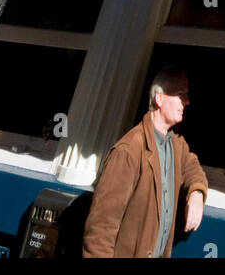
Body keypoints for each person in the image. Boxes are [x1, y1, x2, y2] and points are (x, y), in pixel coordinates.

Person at [82, 66, 207, 258]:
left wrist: (197, 193)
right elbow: (100, 230)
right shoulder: (128, 151)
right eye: (181, 94)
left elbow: (192, 166)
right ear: (159, 98)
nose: (187, 101)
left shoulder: (175, 144)